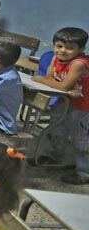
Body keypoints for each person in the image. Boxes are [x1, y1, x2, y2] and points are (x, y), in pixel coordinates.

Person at [32, 27, 89, 184]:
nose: (63, 51)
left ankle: (84, 173)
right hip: (64, 101)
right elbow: (53, 80)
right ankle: (53, 158)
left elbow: (61, 85)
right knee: (57, 129)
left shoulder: (79, 63)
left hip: (82, 107)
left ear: (81, 49)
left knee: (80, 139)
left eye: (70, 48)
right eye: (59, 46)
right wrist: (58, 85)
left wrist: (42, 80)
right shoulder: (55, 58)